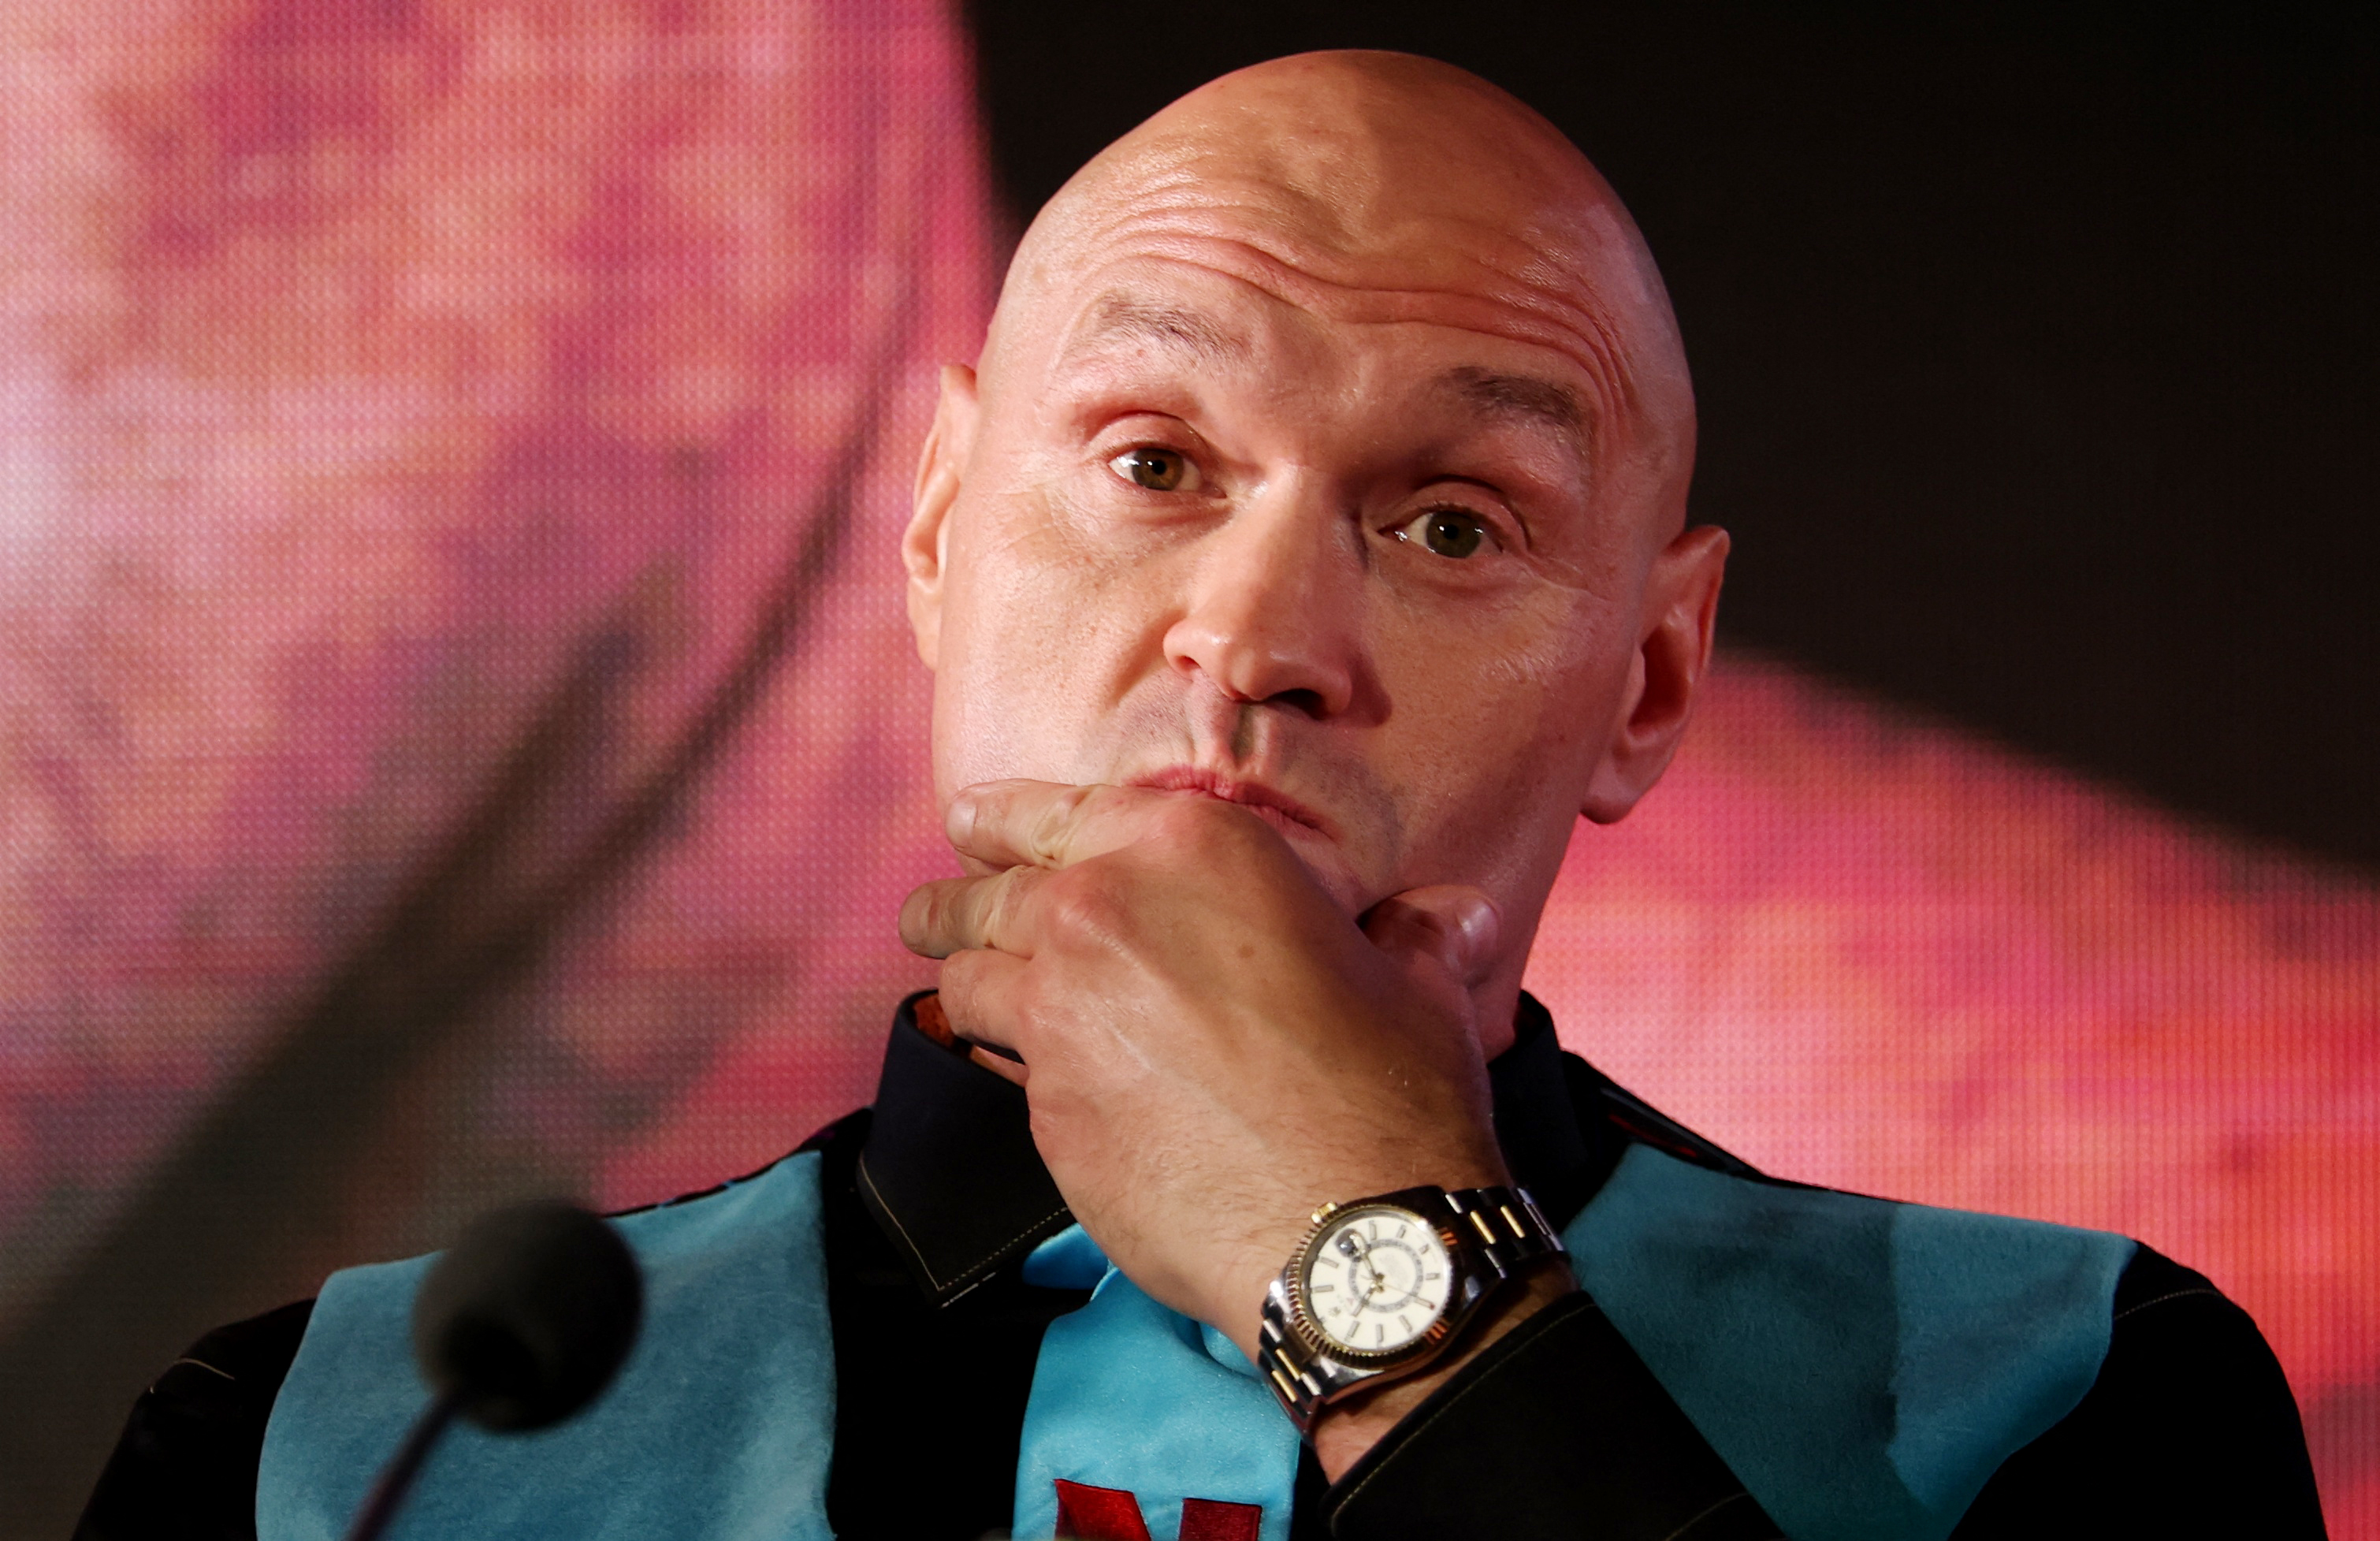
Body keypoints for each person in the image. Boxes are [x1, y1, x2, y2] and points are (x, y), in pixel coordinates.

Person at [77, 50, 2323, 1541]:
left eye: (1449, 521)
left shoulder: (2076, 1399)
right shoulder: (331, 1445)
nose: (1250, 638)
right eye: (1151, 463)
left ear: (1645, 676)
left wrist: (1367, 1257)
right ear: (943, 528)